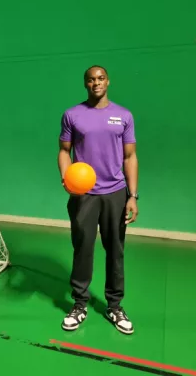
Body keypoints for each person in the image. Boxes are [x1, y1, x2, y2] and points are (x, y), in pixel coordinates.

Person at [57, 65, 139, 335]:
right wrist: (66, 178)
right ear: (85, 84)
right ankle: (80, 304)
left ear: (108, 81)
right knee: (83, 249)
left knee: (115, 250)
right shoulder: (72, 115)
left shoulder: (123, 115)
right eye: (91, 79)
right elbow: (64, 151)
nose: (96, 83)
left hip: (115, 193)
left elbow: (130, 157)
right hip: (84, 195)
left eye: (100, 78)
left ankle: (114, 305)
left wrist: (132, 196)